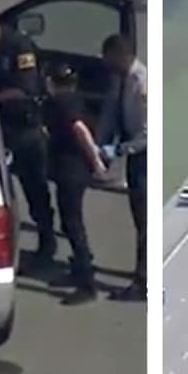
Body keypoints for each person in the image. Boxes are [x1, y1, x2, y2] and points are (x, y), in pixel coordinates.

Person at [0, 12, 57, 266]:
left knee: (35, 188)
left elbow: (26, 88)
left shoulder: (19, 47)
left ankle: (47, 242)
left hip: (24, 128)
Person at [44, 64, 109, 303]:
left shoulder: (62, 103)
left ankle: (87, 284)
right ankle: (79, 268)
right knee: (70, 222)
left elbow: (79, 129)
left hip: (71, 169)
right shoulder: (75, 99)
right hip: (72, 169)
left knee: (72, 224)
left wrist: (96, 161)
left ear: (51, 82)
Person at [96, 33, 147, 301]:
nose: (105, 63)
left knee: (146, 223)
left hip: (144, 156)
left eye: (108, 58)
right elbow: (111, 115)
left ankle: (143, 282)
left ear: (120, 55)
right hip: (134, 156)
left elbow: (148, 134)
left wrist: (119, 150)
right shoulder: (120, 79)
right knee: (140, 219)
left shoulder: (141, 83)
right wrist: (100, 146)